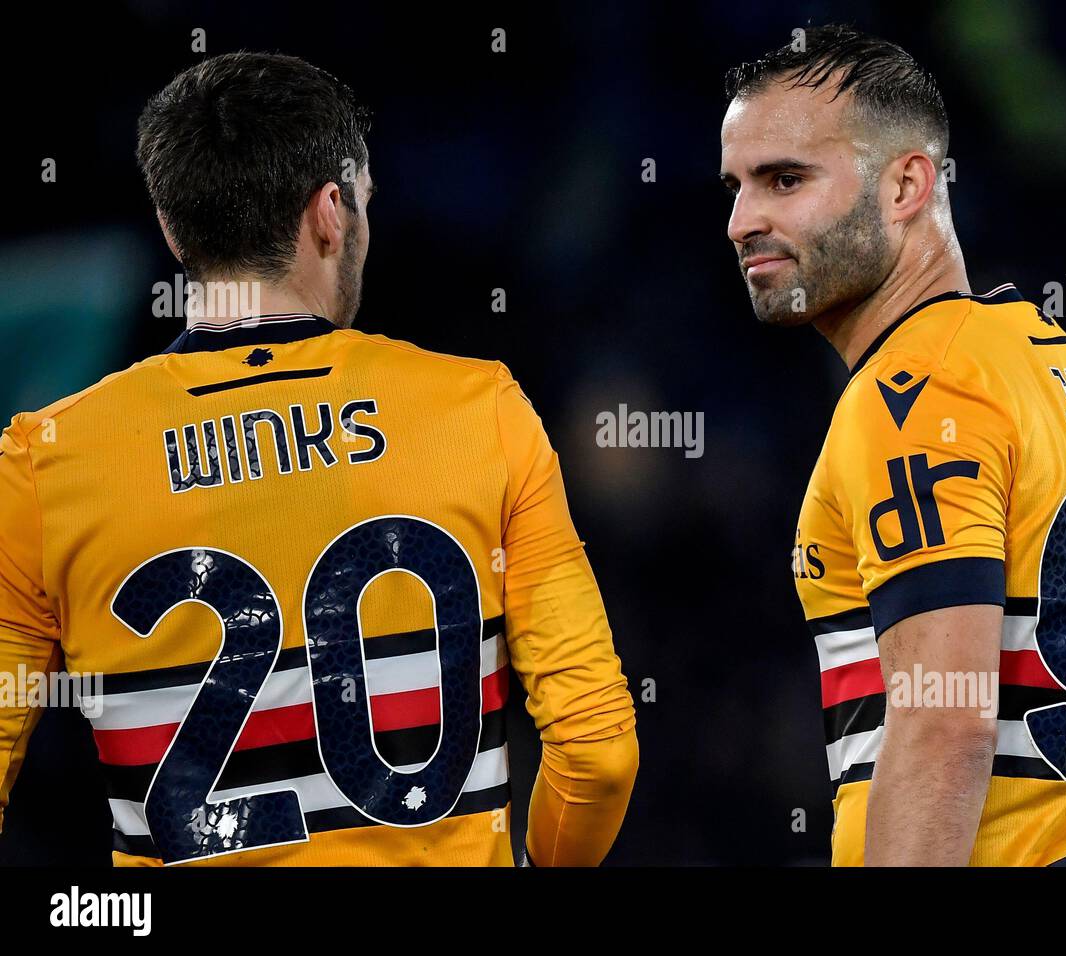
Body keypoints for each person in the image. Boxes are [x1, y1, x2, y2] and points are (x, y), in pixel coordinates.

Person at [0, 52, 637, 866]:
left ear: (171, 228)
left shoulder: (46, 463)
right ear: (331, 213)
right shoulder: (482, 411)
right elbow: (598, 754)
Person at [719, 26, 1066, 865]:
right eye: (736, 187)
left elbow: (944, 719)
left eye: (785, 179)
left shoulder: (917, 393)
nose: (744, 220)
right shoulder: (1050, 370)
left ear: (906, 186)